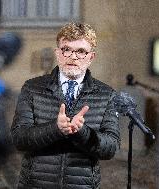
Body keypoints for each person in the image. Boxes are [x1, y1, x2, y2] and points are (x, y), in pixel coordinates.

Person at [11, 22, 120, 189]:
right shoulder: (32, 88)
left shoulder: (106, 94)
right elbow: (19, 139)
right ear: (57, 53)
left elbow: (110, 148)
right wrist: (55, 128)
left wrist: (82, 133)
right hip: (35, 184)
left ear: (91, 57)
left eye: (81, 51)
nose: (73, 56)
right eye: (66, 49)